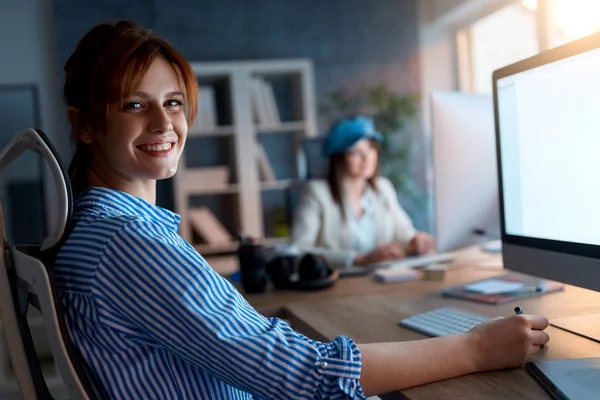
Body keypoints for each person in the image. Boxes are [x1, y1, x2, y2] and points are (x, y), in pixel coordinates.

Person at [54, 20, 550, 400]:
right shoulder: (130, 242)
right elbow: (305, 377)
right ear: (85, 126)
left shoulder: (100, 231)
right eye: (134, 105)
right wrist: (475, 348)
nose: (165, 122)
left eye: (175, 101)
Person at [292, 116, 434, 269]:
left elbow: (404, 232)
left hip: (383, 281)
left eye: (370, 148)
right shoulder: (317, 193)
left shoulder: (383, 188)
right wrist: (359, 259)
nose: (367, 157)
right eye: (356, 151)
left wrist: (415, 240)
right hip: (340, 285)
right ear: (339, 158)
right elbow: (299, 250)